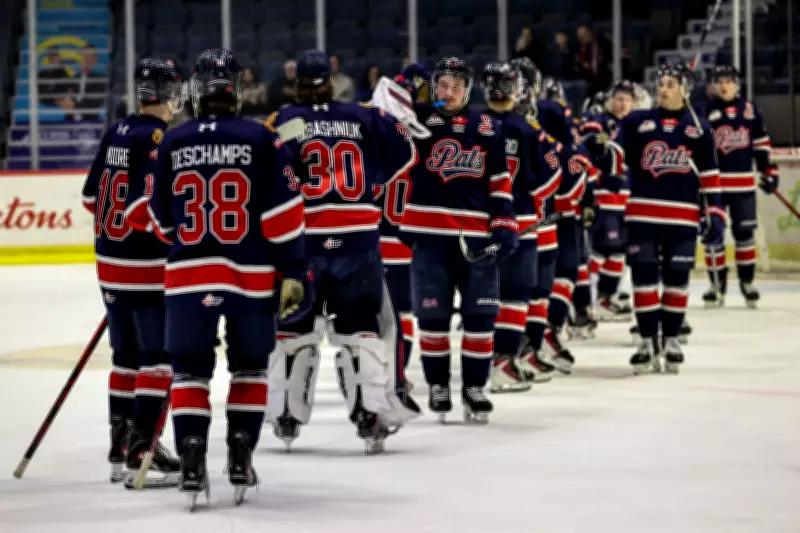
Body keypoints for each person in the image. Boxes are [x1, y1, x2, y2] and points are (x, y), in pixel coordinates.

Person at [147, 48, 309, 509]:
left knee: (190, 372)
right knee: (250, 367)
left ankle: (192, 458)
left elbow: (161, 223)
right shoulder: (262, 139)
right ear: (236, 89)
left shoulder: (172, 143)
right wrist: (294, 269)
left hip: (187, 276)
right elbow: (284, 217)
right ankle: (240, 454)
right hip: (250, 278)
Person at [264, 49, 421, 455]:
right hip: (358, 241)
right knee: (362, 332)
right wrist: (371, 180)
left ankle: (285, 412)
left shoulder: (284, 121)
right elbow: (406, 153)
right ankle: (370, 415)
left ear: (297, 81)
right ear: (331, 80)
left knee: (292, 334)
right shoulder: (363, 115)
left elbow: (263, 173)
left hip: (303, 244)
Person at [388, 57, 518, 423]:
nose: (449, 92)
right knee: (433, 318)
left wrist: (505, 224)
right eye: (442, 85)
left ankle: (475, 388)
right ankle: (438, 385)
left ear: (468, 90)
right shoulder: (416, 120)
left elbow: (499, 179)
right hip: (430, 239)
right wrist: (403, 82)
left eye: (456, 86)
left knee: (481, 317)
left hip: (476, 239)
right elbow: (380, 110)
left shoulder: (489, 126)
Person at [81, 56, 185, 488]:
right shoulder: (158, 139)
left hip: (110, 265)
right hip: (145, 267)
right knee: (157, 358)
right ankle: (143, 449)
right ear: (164, 93)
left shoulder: (117, 131)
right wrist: (177, 236)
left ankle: (119, 446)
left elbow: (91, 200)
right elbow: (142, 210)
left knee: (125, 358)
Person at [615, 62, 725, 373]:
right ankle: (648, 340)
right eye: (661, 83)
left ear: (685, 89)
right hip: (642, 217)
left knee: (677, 282)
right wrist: (596, 154)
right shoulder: (637, 121)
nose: (663, 89)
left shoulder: (700, 128)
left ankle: (672, 338)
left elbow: (710, 175)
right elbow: (616, 151)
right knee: (644, 281)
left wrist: (714, 211)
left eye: (671, 84)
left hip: (683, 219)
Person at [480, 61, 561, 393]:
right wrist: (533, 203)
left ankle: (484, 362)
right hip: (521, 222)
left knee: (486, 296)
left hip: (481, 223)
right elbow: (550, 178)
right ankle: (502, 363)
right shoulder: (528, 129)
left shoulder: (475, 124)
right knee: (515, 294)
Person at [700, 64, 779, 309]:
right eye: (719, 81)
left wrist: (769, 170)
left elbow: (761, 143)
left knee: (744, 235)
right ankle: (717, 286)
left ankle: (747, 282)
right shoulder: (704, 109)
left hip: (743, 185)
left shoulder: (750, 110)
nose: (723, 85)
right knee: (713, 236)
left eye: (728, 81)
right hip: (714, 187)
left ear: (737, 84)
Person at [581, 80, 635, 321]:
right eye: (619, 98)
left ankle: (605, 297)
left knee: (619, 252)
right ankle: (587, 299)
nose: (622, 103)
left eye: (627, 99)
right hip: (604, 198)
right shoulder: (600, 121)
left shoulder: (633, 125)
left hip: (626, 200)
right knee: (603, 250)